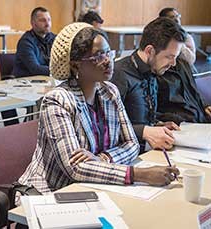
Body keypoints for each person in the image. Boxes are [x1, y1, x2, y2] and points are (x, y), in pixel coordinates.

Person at [18, 23, 179, 194]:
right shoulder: (57, 101)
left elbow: (132, 144)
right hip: (50, 192)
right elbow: (76, 168)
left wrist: (103, 158)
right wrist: (139, 174)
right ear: (75, 65)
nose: (107, 61)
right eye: (98, 56)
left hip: (96, 187)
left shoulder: (110, 92)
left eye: (108, 53)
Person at [111, 17, 187, 153]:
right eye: (170, 57)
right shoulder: (119, 75)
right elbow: (105, 127)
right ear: (150, 51)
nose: (174, 64)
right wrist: (145, 131)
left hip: (149, 150)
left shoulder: (154, 69)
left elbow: (137, 115)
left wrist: (157, 124)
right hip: (127, 155)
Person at [12, 7, 56, 77]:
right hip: (28, 82)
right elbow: (35, 69)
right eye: (42, 20)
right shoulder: (26, 42)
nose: (47, 24)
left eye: (49, 20)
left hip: (48, 80)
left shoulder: (55, 39)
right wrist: (60, 71)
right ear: (33, 23)